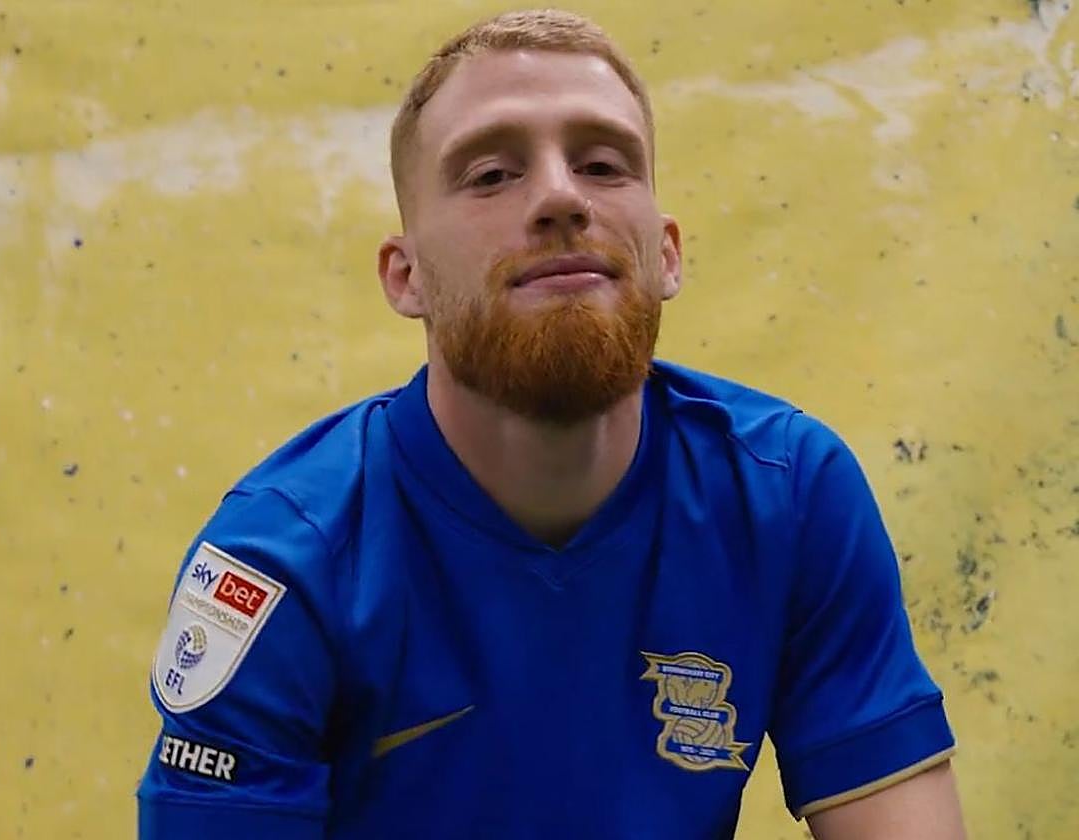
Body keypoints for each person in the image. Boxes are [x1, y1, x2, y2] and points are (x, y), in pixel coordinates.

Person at [137, 8, 966, 839]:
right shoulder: (281, 565)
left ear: (666, 253)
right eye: (492, 174)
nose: (561, 198)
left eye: (602, 165)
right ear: (405, 275)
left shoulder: (788, 495)